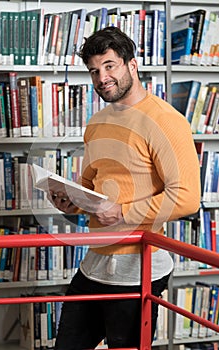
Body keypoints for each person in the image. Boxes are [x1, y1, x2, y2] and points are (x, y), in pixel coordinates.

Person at [51, 27, 201, 350]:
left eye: (109, 66)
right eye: (94, 71)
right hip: (95, 262)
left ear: (131, 66)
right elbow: (94, 187)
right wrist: (72, 201)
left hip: (139, 268)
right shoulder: (96, 123)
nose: (101, 78)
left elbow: (187, 197)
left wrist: (122, 212)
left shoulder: (167, 121)